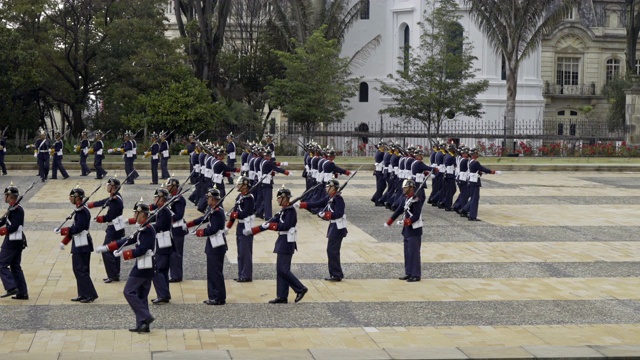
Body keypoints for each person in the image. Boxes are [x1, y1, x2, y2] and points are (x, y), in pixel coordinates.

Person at [96, 202, 156, 333]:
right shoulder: (143, 228)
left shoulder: (147, 230)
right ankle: (143, 324)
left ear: (142, 214)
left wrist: (124, 254)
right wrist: (108, 247)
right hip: (146, 266)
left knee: (128, 291)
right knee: (141, 295)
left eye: (136, 213)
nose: (134, 215)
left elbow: (141, 250)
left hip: (143, 266)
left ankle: (145, 317)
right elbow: (127, 240)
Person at [246, 186, 307, 304]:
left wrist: (270, 226)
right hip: (282, 242)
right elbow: (272, 222)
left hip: (287, 242)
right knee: (280, 270)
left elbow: (285, 226)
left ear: (284, 198)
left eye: (279, 198)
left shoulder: (290, 211)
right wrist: (255, 230)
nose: (277, 200)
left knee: (283, 270)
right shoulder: (284, 210)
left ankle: (300, 288)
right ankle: (282, 296)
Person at [298, 179, 347, 281]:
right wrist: (302, 205)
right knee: (331, 251)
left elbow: (339, 213)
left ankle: (336, 274)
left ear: (334, 188)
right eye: (327, 187)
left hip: (338, 228)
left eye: (329, 187)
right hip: (333, 227)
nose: (326, 188)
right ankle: (335, 273)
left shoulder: (338, 199)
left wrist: (326, 214)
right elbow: (318, 203)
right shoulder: (330, 197)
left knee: (332, 251)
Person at [186, 187, 227, 305]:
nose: (207, 200)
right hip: (213, 245)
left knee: (216, 272)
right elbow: (204, 218)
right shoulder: (213, 209)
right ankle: (213, 295)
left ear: (213, 199)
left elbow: (213, 229)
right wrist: (190, 224)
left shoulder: (218, 212)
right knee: (211, 272)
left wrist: (200, 232)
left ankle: (219, 297)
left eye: (208, 198)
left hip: (217, 245)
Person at [59, 187, 99, 302]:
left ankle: (90, 294)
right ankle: (83, 293)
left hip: (82, 244)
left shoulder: (82, 211)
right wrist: (65, 241)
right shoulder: (79, 209)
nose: (70, 198)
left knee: (80, 269)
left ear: (77, 198)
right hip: (80, 242)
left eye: (71, 196)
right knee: (79, 270)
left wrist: (63, 231)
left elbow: (77, 228)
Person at [384, 179, 423, 282]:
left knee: (414, 253)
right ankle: (409, 272)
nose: (403, 189)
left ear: (411, 188)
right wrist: (390, 221)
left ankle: (416, 274)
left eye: (405, 187)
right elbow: (399, 210)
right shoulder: (406, 199)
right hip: (407, 230)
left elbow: (416, 216)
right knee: (407, 252)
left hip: (414, 229)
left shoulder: (416, 200)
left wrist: (405, 222)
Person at [87, 177, 125, 283]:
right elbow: (105, 201)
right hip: (117, 227)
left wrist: (99, 219)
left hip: (114, 227)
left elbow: (109, 217)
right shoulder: (115, 196)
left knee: (106, 250)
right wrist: (91, 204)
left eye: (109, 185)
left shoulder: (115, 200)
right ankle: (115, 274)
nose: (107, 187)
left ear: (113, 187)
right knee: (114, 250)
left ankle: (112, 275)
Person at [0, 184, 28, 300]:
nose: (4, 197)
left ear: (10, 196)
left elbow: (14, 226)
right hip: (16, 241)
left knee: (1, 264)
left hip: (12, 241)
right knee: (15, 266)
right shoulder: (12, 208)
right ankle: (22, 293)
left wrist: (1, 231)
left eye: (6, 195)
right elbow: (4, 221)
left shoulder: (17, 210)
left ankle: (11, 287)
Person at [227, 176, 255, 282]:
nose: (237, 186)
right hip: (240, 226)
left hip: (246, 227)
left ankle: (246, 275)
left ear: (245, 186)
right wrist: (228, 227)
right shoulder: (240, 196)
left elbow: (244, 213)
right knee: (240, 252)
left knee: (245, 252)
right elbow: (235, 211)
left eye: (239, 184)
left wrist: (233, 214)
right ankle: (241, 274)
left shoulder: (249, 198)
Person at [461, 148, 501, 221]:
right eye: (477, 153)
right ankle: (472, 216)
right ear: (474, 155)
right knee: (475, 199)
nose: (478, 154)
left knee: (473, 198)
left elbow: (477, 170)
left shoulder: (470, 162)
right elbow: (483, 169)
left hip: (470, 181)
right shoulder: (475, 163)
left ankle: (464, 209)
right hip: (474, 182)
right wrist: (493, 172)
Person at [148, 188, 173, 304]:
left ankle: (163, 295)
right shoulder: (161, 210)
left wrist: (148, 226)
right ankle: (164, 294)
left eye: (156, 197)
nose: (154, 199)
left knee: (157, 269)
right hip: (162, 242)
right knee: (162, 270)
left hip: (163, 243)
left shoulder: (165, 211)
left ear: (160, 199)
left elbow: (159, 225)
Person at [256, 150, 291, 219]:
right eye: (269, 156)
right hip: (267, 182)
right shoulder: (267, 162)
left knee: (265, 199)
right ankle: (268, 216)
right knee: (267, 200)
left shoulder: (263, 161)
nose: (270, 157)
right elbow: (275, 168)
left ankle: (259, 212)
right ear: (268, 156)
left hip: (264, 182)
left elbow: (273, 164)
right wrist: (286, 172)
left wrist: (282, 164)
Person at [166, 177, 187, 283]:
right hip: (172, 228)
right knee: (172, 253)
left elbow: (178, 215)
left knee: (176, 253)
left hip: (177, 228)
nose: (167, 187)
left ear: (174, 187)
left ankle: (176, 275)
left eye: (169, 185)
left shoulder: (179, 199)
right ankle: (174, 274)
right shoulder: (172, 197)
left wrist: (168, 217)